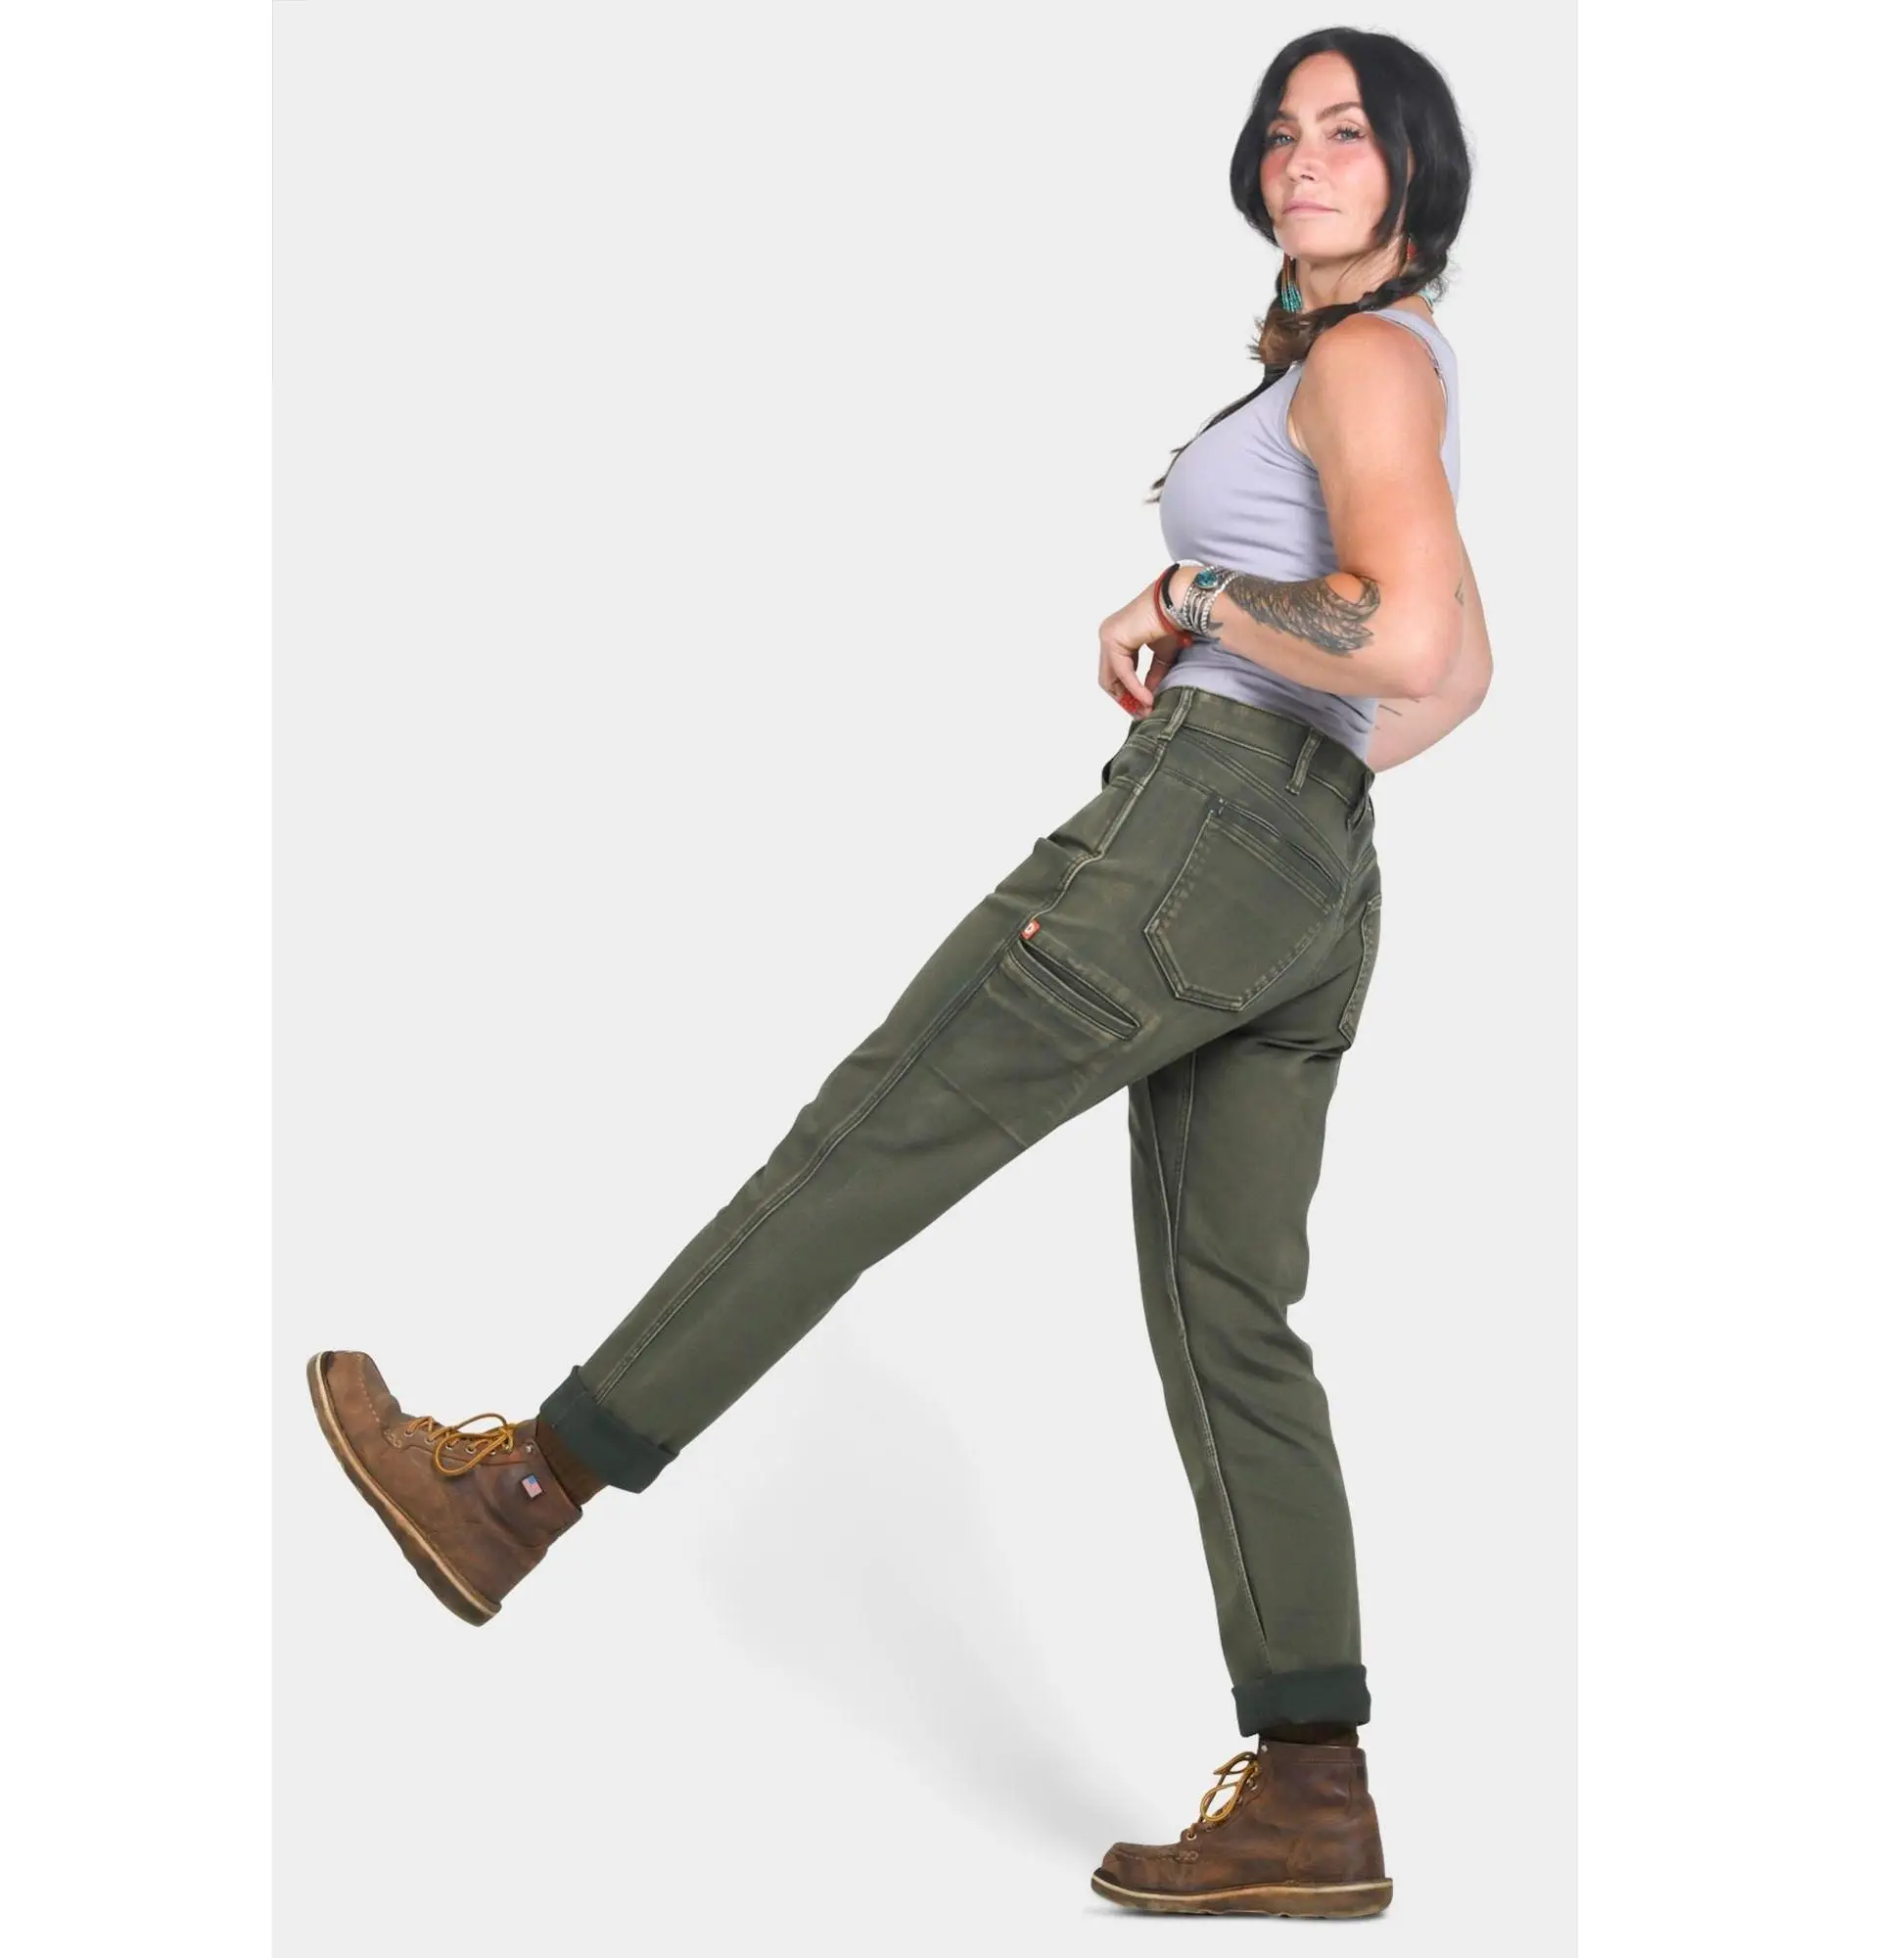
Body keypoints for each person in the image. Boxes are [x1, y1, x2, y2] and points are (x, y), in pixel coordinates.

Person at [305, 24, 1488, 1921]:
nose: (1300, 155)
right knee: (1231, 1319)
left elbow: (1407, 633)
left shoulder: (1364, 361)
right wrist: (1299, 790)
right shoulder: (1394, 365)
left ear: (1414, 170)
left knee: (868, 1143)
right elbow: (1457, 675)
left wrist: (1192, 611)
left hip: (1203, 831)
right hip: (1310, 869)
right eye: (1282, 128)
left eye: (1346, 131)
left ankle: (523, 1491)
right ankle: (1312, 1790)